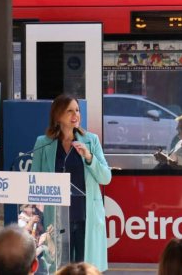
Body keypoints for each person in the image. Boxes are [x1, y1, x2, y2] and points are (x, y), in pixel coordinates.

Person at [31, 94, 112, 272]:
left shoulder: (91, 141)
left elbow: (106, 177)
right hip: (57, 219)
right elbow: (33, 182)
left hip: (85, 216)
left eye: (77, 110)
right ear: (58, 116)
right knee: (59, 268)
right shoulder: (43, 144)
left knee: (85, 269)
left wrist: (89, 157)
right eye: (70, 111)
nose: (75, 114)